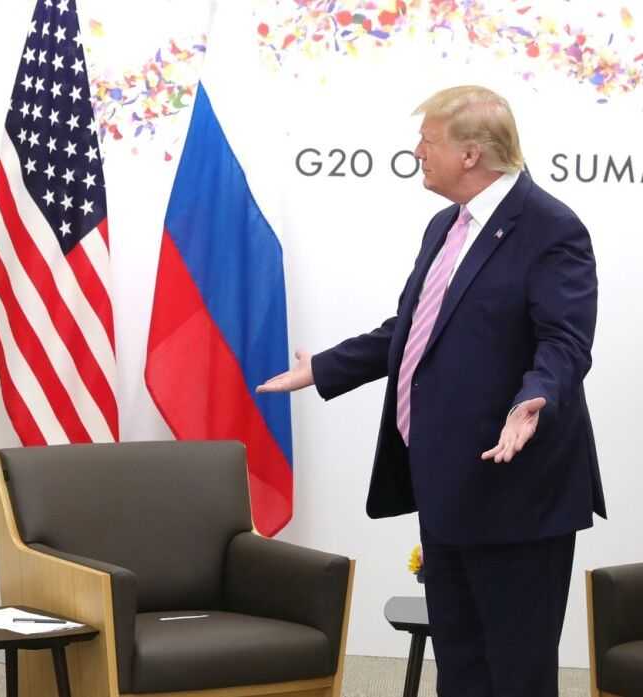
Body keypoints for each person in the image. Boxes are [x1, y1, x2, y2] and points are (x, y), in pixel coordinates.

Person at [258, 85, 604, 697]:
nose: (417, 151)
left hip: (517, 489)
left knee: (515, 674)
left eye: (428, 141)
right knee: (461, 667)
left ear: (470, 154)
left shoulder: (551, 227)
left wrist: (535, 397)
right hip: (446, 484)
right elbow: (414, 329)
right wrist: (326, 369)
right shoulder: (446, 225)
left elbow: (565, 341)